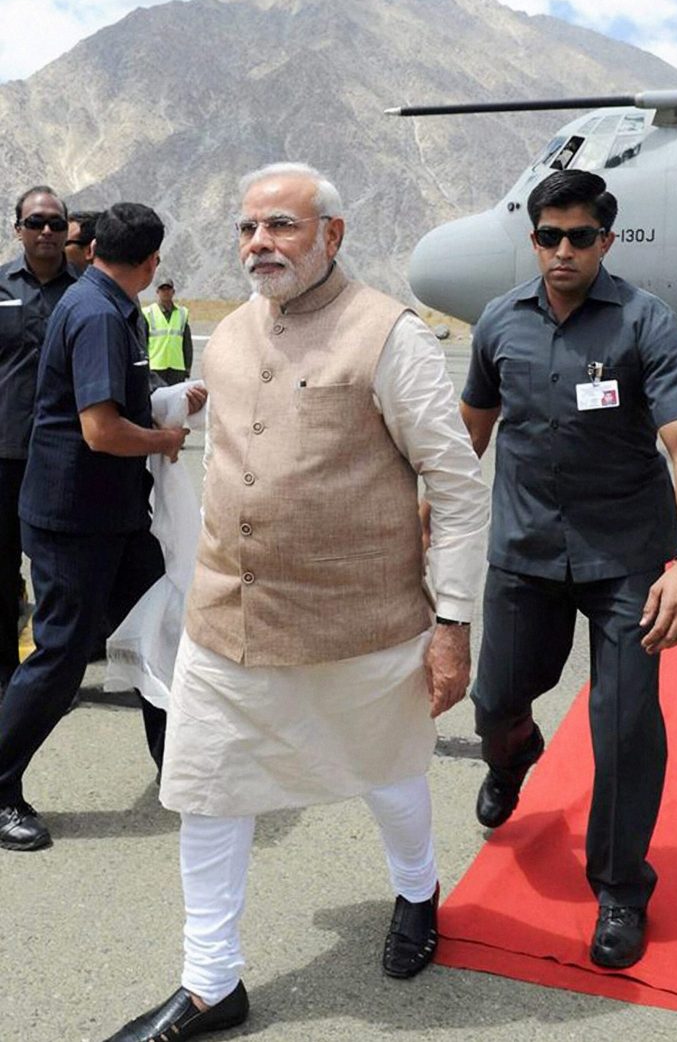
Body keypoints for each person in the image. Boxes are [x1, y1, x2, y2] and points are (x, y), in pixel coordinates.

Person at [100, 163, 488, 1042]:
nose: (257, 245)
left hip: (361, 623)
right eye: (247, 229)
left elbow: (457, 489)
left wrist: (452, 627)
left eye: (280, 226)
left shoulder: (388, 335)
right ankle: (209, 985)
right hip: (225, 618)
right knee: (205, 790)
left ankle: (419, 893)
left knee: (388, 774)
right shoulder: (228, 335)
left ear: (333, 235)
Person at [461, 169, 677, 972]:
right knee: (497, 697)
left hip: (626, 563)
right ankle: (512, 755)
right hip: (525, 555)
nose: (562, 250)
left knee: (627, 726)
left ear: (607, 241)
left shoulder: (645, 324)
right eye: (548, 236)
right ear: (533, 239)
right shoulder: (499, 322)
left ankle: (619, 889)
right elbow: (464, 434)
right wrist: (421, 524)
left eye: (579, 236)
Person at [0, 203, 192, 854]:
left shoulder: (105, 303)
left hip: (111, 517)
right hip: (74, 520)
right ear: (151, 262)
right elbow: (101, 429)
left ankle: (185, 774)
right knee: (59, 657)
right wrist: (166, 436)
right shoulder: (98, 314)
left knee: (162, 630)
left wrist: (169, 402)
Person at [0, 185, 79, 698]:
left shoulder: (83, 292)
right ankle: (9, 676)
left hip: (63, 459)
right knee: (5, 569)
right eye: (36, 223)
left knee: (59, 575)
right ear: (18, 230)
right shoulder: (1, 286)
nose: (46, 231)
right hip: (4, 454)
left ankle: (52, 679)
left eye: (54, 223)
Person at [142, 277, 193, 385]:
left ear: (173, 292)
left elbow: (187, 344)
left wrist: (187, 367)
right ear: (157, 292)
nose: (165, 292)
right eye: (162, 289)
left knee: (176, 400)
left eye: (168, 289)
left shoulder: (182, 313)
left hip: (177, 368)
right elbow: (143, 342)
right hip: (155, 367)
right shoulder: (148, 313)